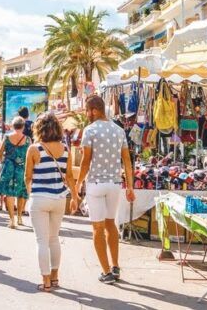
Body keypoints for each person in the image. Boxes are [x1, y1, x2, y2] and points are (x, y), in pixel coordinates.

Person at [77, 95, 135, 284]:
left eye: (87, 111)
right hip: (114, 184)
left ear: (94, 110)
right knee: (111, 224)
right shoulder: (119, 131)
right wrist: (130, 186)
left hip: (95, 183)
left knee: (98, 228)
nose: (87, 114)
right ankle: (116, 265)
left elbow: (85, 162)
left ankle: (106, 271)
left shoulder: (90, 130)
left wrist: (77, 184)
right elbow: (127, 160)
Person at [24, 112, 80, 293]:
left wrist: (30, 194)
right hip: (59, 199)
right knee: (54, 238)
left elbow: (28, 177)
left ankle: (46, 281)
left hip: (40, 198)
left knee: (41, 241)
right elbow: (70, 176)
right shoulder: (65, 149)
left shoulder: (34, 148)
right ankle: (55, 277)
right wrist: (75, 197)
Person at [0, 117, 30, 228]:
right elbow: (30, 156)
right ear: (23, 126)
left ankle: (11, 220)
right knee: (21, 193)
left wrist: (4, 161)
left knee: (9, 193)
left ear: (13, 126)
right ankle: (19, 217)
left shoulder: (7, 137)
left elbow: (0, 154)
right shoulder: (28, 140)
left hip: (8, 167)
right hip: (22, 168)